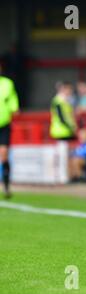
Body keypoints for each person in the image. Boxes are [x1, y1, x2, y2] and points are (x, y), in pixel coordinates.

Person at [0, 64, 19, 198]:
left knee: (4, 154)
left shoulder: (7, 83)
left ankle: (6, 186)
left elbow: (12, 100)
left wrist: (14, 108)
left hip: (4, 124)